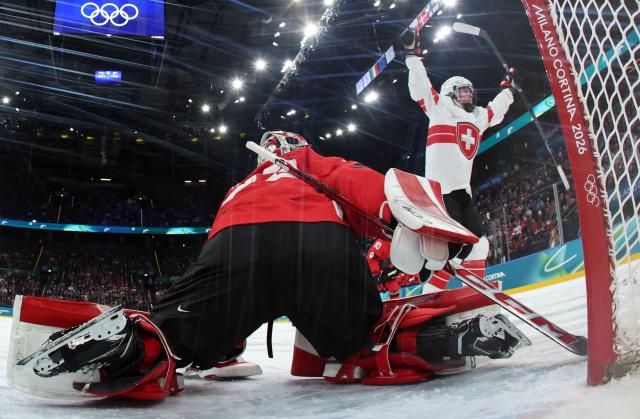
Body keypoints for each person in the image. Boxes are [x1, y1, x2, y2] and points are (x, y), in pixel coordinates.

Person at [9, 130, 527, 400]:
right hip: (320, 247)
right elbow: (376, 188)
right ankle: (437, 337)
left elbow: (228, 265)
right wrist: (413, 223)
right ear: (302, 148)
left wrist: (220, 341)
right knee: (365, 338)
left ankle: (121, 349)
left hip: (236, 247)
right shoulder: (318, 167)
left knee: (175, 334)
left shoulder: (240, 186)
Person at [401, 30, 516, 290]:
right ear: (451, 92)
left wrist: (508, 90)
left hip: (462, 193)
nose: (468, 96)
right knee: (451, 250)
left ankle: (472, 293)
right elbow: (419, 86)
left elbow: (495, 110)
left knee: (480, 245)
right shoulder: (439, 107)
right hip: (440, 193)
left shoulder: (477, 117)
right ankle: (431, 293)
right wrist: (412, 55)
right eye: (463, 92)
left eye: (470, 92)